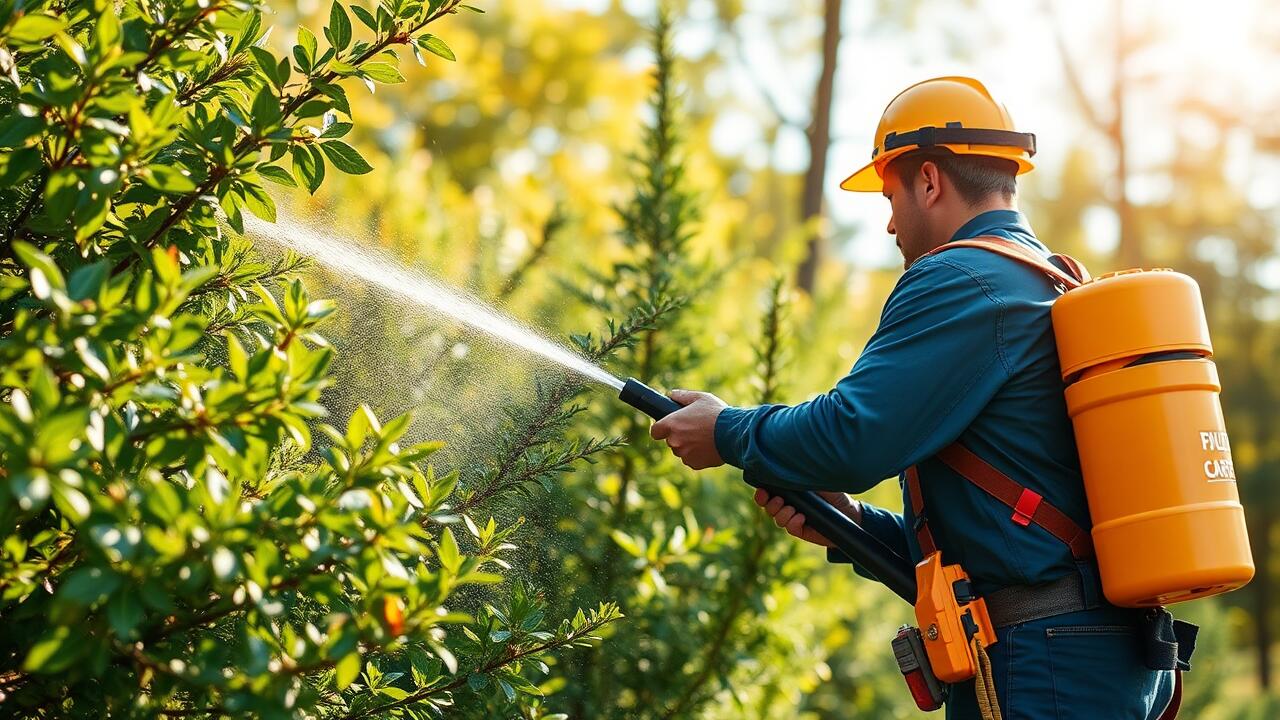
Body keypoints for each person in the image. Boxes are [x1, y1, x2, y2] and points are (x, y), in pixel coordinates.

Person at [650, 76, 1181, 719]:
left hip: (1046, 665)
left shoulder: (960, 278)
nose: (891, 224)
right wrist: (850, 523)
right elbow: (1020, 534)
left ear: (929, 181)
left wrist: (728, 430)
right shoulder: (1046, 279)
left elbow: (853, 435)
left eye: (891, 195)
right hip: (1091, 654)